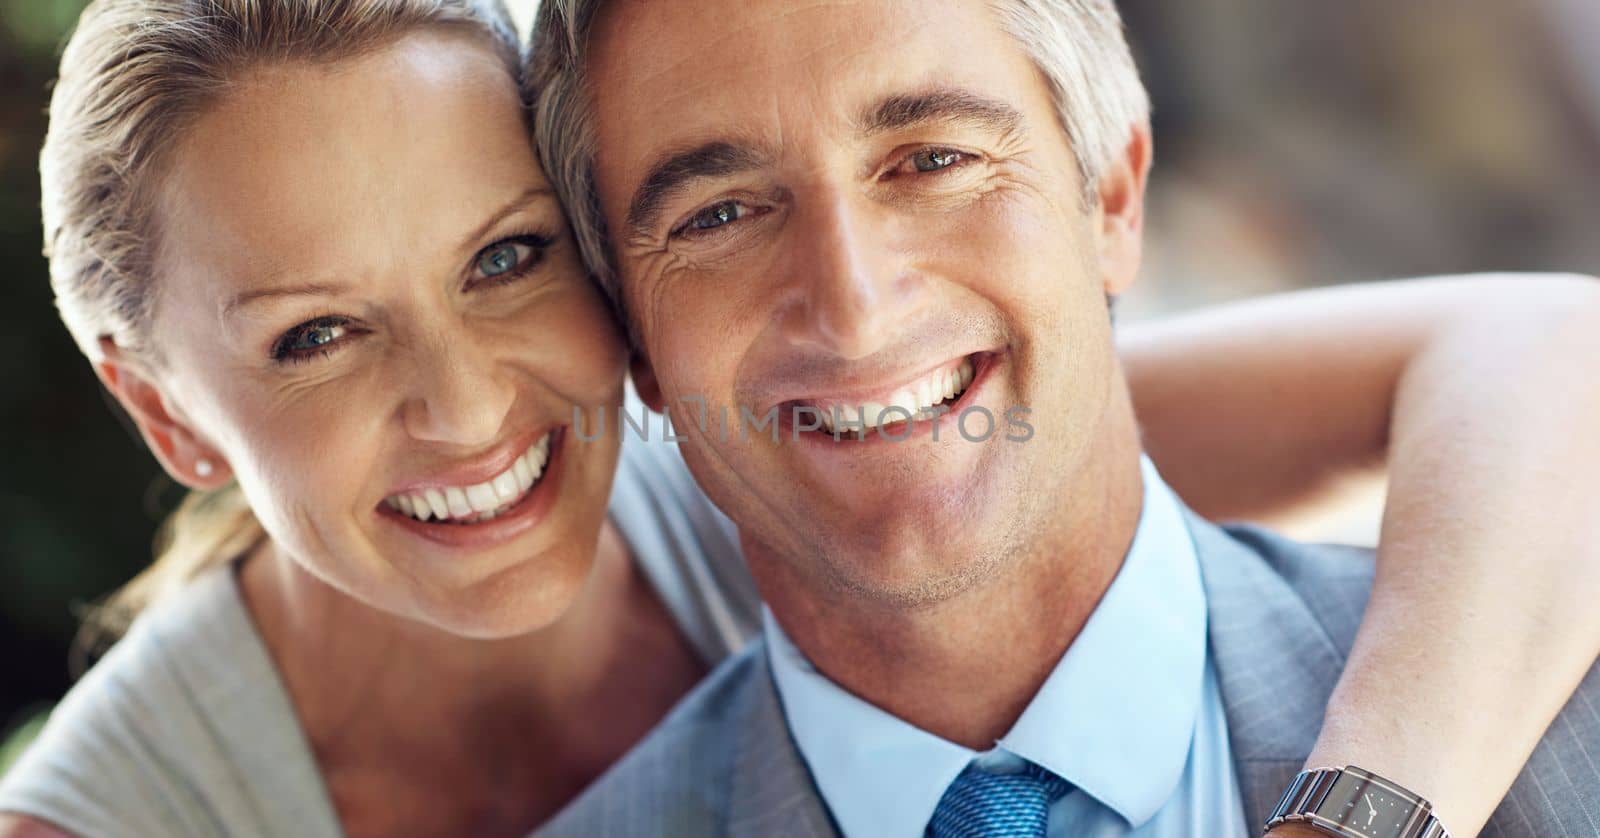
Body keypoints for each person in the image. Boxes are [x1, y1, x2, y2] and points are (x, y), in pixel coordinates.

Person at [0, 1, 1597, 837]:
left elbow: (1546, 352)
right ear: (167, 414)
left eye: (506, 259)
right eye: (318, 334)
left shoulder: (834, 435)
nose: (470, 403)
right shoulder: (125, 806)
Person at [524, 1, 1600, 836]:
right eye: (717, 214)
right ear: (636, 349)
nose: (852, 307)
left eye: (934, 160)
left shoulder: (1564, 709)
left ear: (1115, 201)